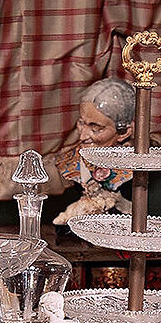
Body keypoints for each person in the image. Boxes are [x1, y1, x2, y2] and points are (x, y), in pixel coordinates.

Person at [56, 78, 137, 223]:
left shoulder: (134, 167)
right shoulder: (68, 161)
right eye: (81, 123)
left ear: (124, 132)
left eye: (96, 129)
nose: (83, 136)